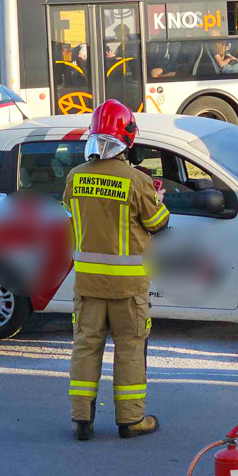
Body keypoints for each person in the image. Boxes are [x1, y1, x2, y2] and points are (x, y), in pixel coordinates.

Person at [62, 99, 170, 441]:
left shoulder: (75, 177)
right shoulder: (136, 181)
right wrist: (158, 198)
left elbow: (73, 214)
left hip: (88, 284)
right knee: (129, 351)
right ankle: (131, 420)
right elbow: (158, 224)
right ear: (128, 138)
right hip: (127, 290)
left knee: (85, 347)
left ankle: (82, 420)